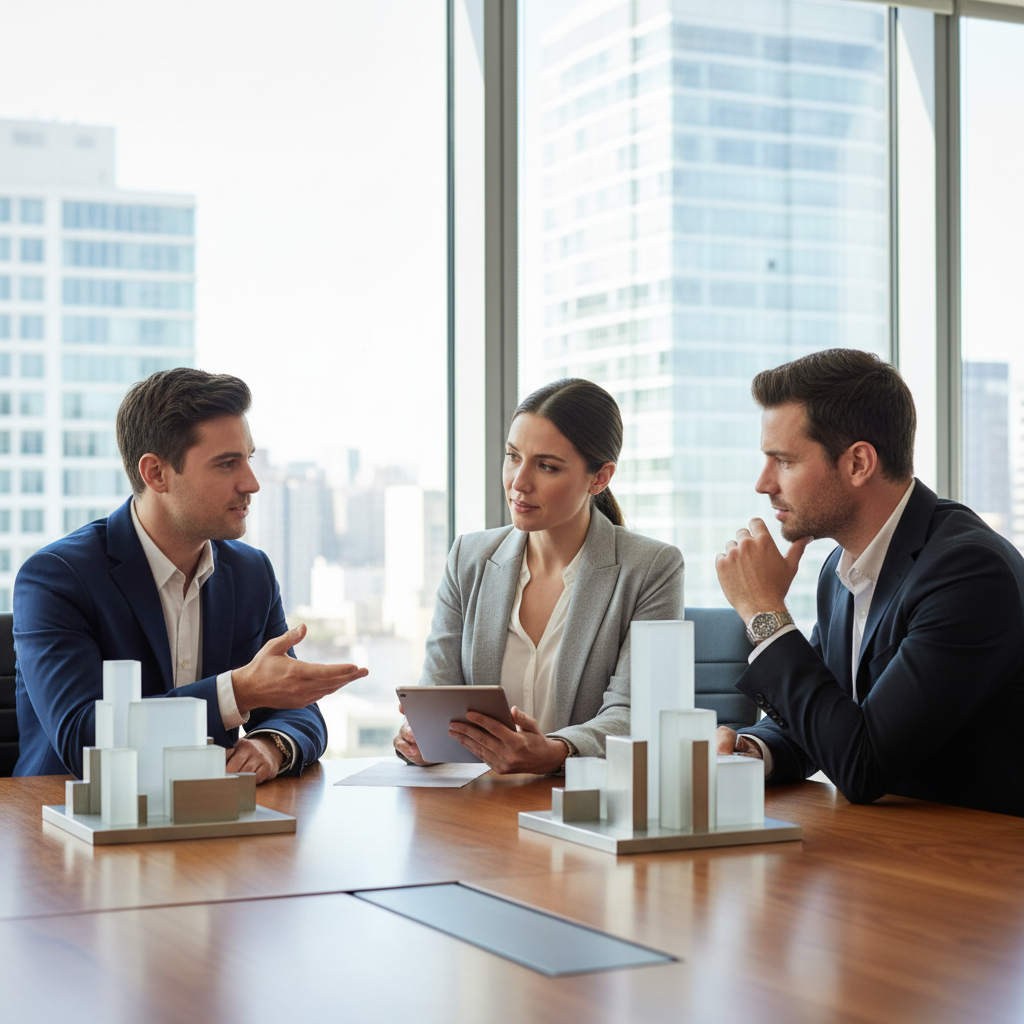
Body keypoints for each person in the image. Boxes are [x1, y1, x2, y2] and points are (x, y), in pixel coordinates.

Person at [14, 368, 367, 783]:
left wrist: (272, 745)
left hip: (207, 819)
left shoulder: (251, 572)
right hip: (70, 824)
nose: (251, 483)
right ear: (156, 474)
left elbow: (294, 707)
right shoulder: (58, 578)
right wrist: (237, 692)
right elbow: (84, 740)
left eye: (248, 459)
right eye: (226, 464)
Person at [714, 349, 1024, 816]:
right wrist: (749, 750)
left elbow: (864, 764)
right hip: (887, 854)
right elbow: (826, 719)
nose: (763, 483)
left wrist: (763, 613)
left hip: (977, 865)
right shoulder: (841, 567)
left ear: (859, 463)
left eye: (784, 461)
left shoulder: (968, 573)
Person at [393, 378, 684, 774]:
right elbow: (439, 692)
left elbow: (637, 711)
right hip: (479, 805)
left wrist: (558, 750)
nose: (519, 482)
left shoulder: (651, 568)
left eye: (546, 466)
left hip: (586, 806)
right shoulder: (469, 558)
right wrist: (420, 737)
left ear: (599, 477)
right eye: (513, 456)